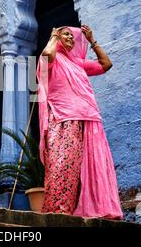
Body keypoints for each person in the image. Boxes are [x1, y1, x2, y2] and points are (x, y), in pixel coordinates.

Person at [36, 24, 123, 219]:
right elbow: (46, 56)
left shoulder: (78, 62)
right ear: (58, 37)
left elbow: (105, 64)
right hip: (63, 118)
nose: (70, 38)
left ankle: (92, 209)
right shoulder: (53, 59)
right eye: (65, 34)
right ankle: (57, 211)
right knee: (63, 165)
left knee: (90, 167)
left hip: (88, 117)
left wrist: (92, 41)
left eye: (72, 36)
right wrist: (53, 37)